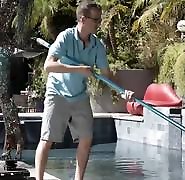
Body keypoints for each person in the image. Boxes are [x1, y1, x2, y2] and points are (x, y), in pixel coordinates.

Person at [34, 1, 133, 180]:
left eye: (99, 19)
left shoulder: (97, 46)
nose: (99, 23)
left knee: (86, 139)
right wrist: (78, 69)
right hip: (57, 92)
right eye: (95, 19)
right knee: (47, 139)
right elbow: (49, 66)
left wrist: (122, 91)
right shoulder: (65, 37)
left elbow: (106, 76)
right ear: (82, 19)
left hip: (79, 95)